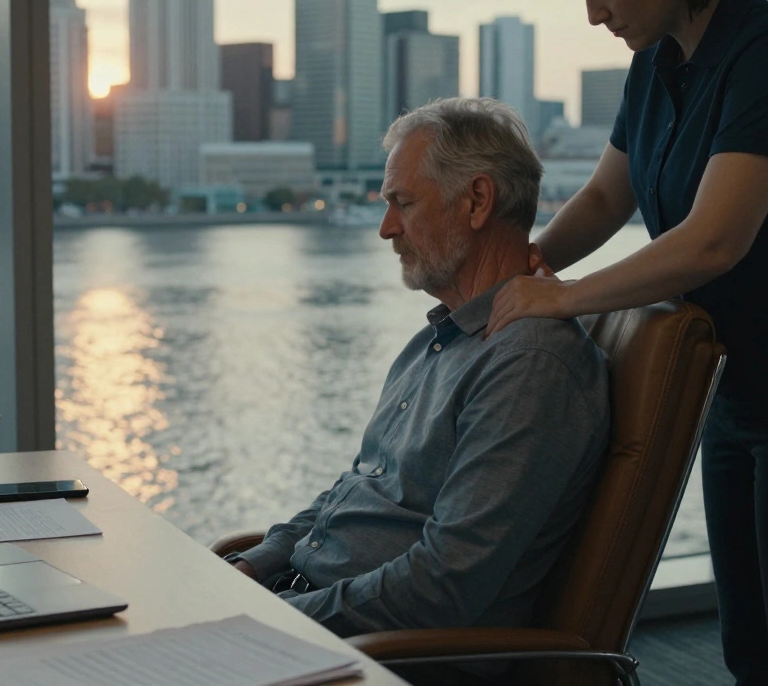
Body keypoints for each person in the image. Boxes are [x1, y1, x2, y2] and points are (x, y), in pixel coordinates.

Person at [486, 0, 768, 685]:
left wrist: (565, 299)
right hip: (735, 395)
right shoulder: (653, 65)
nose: (593, 14)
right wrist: (515, 274)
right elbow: (605, 199)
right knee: (750, 652)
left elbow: (714, 241)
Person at [225, 97, 610, 682]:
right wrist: (255, 566)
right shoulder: (438, 341)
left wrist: (276, 619)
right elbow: (356, 490)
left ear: (477, 201)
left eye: (402, 203)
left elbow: (443, 585)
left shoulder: (528, 363)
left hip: (386, 659)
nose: (386, 228)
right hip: (317, 621)